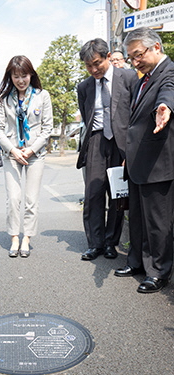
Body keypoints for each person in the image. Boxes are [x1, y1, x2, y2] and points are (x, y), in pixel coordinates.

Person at [114, 27, 174, 293]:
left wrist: (166, 107)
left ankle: (158, 271)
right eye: (131, 57)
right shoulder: (142, 80)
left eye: (138, 55)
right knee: (136, 218)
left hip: (158, 162)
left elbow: (168, 94)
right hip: (138, 161)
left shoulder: (169, 72)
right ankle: (136, 261)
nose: (134, 62)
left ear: (156, 47)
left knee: (157, 222)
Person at [77, 38, 138, 261]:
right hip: (96, 140)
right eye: (88, 66)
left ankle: (111, 242)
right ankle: (95, 244)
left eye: (97, 63)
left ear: (108, 57)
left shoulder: (129, 78)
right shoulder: (84, 87)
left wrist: (130, 150)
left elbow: (135, 114)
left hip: (122, 143)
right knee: (93, 194)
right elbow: (86, 116)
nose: (93, 69)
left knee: (117, 195)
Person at [0, 55, 53, 258]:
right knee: (13, 198)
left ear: (31, 75)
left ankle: (26, 237)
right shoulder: (4, 99)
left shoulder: (42, 96)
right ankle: (14, 237)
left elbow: (47, 129)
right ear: (10, 77)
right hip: (11, 153)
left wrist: (31, 149)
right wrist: (13, 150)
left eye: (24, 75)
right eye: (16, 76)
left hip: (35, 154)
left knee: (31, 199)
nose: (21, 80)